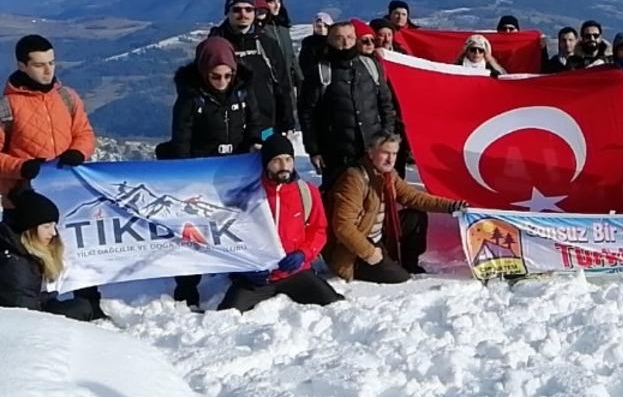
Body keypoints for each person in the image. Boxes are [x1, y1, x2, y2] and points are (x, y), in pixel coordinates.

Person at [160, 36, 264, 307]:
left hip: (237, 168)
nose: (221, 81)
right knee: (194, 228)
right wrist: (184, 173)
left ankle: (240, 269)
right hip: (201, 168)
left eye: (227, 75)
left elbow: (257, 122)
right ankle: (187, 285)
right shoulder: (191, 97)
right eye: (215, 76)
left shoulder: (243, 90)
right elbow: (181, 137)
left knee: (238, 223)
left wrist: (256, 142)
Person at [218, 135, 343, 312]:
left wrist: (303, 254)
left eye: (288, 159)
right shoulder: (247, 194)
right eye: (276, 161)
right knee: (227, 314)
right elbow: (231, 234)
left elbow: (319, 229)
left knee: (335, 305)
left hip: (296, 272)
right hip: (258, 277)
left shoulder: (307, 191)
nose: (284, 166)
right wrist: (245, 268)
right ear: (266, 163)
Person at [326, 134, 466, 282]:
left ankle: (409, 264)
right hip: (354, 251)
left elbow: (413, 198)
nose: (390, 159)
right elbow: (343, 226)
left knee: (415, 217)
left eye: (394, 153)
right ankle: (386, 268)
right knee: (400, 278)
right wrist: (369, 253)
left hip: (378, 236)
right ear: (370, 152)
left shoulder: (388, 175)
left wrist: (452, 206)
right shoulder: (354, 179)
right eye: (385, 153)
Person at [299, 22, 396, 193]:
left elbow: (386, 105)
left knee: (374, 199)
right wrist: (314, 150)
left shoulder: (370, 67)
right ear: (329, 40)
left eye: (350, 38)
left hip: (371, 150)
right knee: (341, 204)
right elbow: (307, 113)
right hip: (336, 154)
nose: (345, 43)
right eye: (339, 38)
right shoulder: (320, 72)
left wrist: (387, 137)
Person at [1, 35, 96, 203]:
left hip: (69, 188)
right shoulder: (6, 107)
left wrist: (78, 152)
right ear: (22, 66)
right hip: (25, 197)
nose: (48, 71)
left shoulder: (67, 97)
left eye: (51, 63)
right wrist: (20, 167)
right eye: (39, 65)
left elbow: (84, 133)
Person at [0, 190, 102, 321]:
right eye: (47, 226)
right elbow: (24, 316)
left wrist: (47, 299)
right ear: (29, 229)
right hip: (22, 326)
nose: (53, 233)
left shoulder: (20, 253)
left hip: (29, 312)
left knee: (80, 307)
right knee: (80, 309)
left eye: (54, 226)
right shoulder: (15, 265)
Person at [210, 0, 295, 136]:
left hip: (266, 125)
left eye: (248, 9)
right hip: (228, 129)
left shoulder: (268, 44)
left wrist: (287, 121)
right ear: (228, 12)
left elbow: (282, 84)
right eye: (237, 10)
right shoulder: (215, 45)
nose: (243, 14)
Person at [250, 0, 302, 93]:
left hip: (287, 84)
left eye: (278, 1)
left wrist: (300, 78)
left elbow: (290, 56)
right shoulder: (258, 30)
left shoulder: (283, 28)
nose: (277, 5)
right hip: (267, 87)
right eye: (272, 2)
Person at [299, 11, 333, 76]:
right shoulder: (308, 42)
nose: (322, 29)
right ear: (314, 27)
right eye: (319, 26)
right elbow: (304, 63)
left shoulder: (333, 42)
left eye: (325, 26)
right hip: (312, 78)